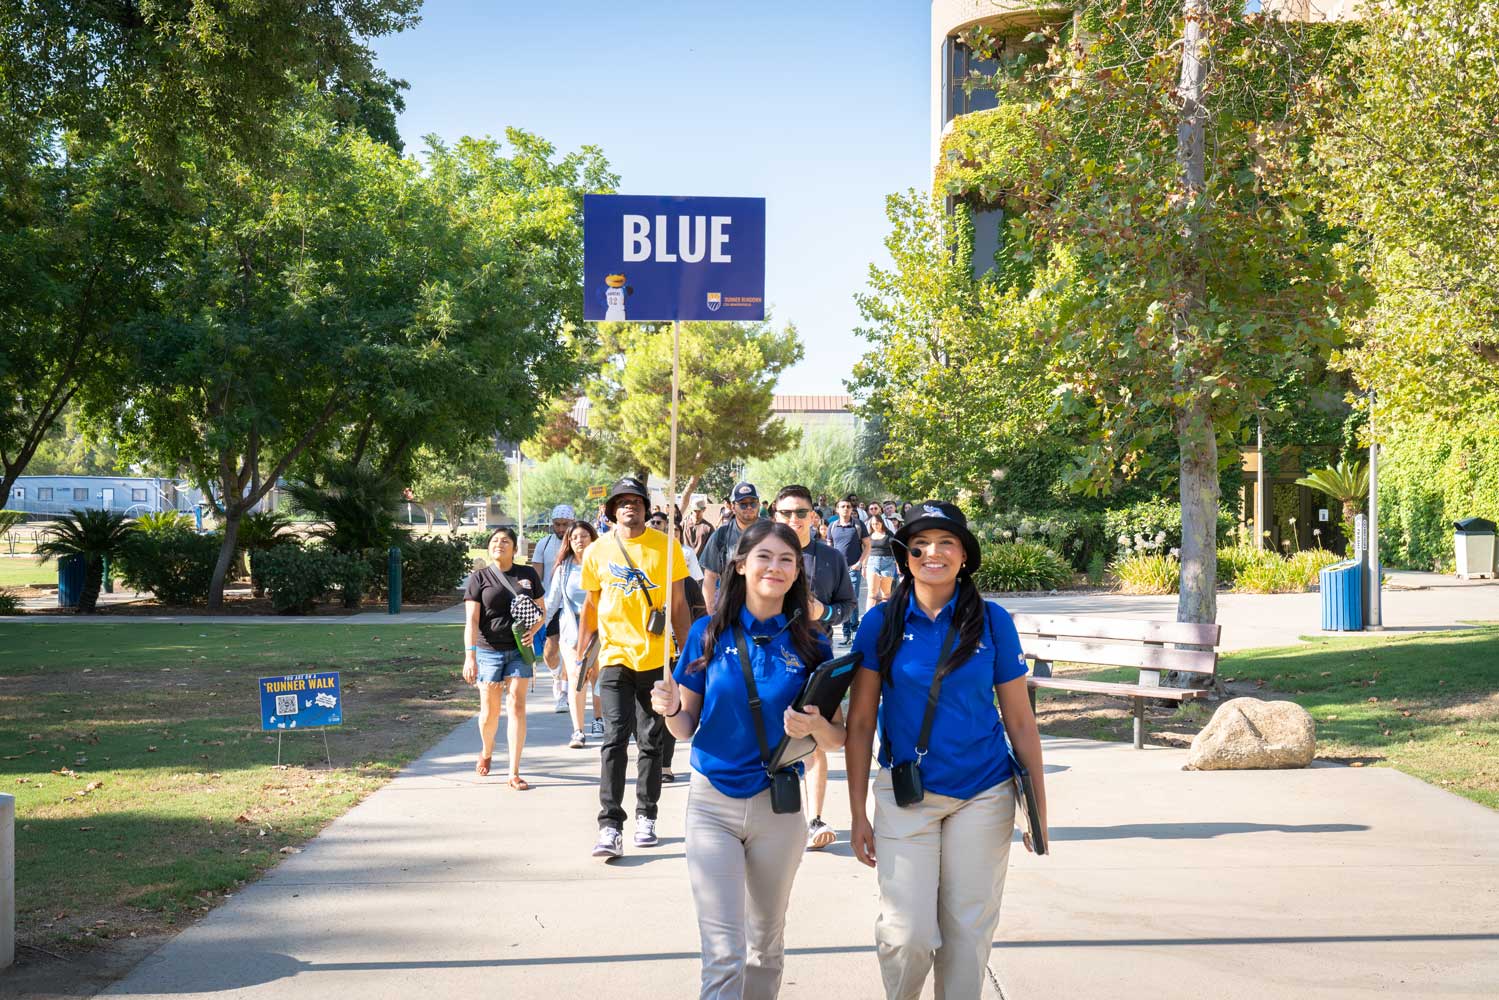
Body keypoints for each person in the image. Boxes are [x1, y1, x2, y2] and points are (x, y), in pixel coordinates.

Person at [844, 501, 1047, 1000]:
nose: (933, 553)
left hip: (984, 792)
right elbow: (862, 721)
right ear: (905, 555)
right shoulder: (880, 624)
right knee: (907, 934)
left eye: (946, 543)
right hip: (906, 794)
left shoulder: (993, 622)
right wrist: (856, 813)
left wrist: (1037, 810)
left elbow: (1020, 720)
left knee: (966, 935)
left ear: (964, 556)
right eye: (921, 544)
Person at [651, 520, 844, 999]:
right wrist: (672, 706)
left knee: (765, 946)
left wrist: (815, 727)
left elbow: (838, 737)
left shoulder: (813, 642)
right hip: (712, 804)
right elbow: (684, 727)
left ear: (798, 571)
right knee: (723, 953)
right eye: (764, 557)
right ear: (740, 565)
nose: (774, 568)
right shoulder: (706, 632)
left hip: (778, 808)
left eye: (786, 560)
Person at [575, 476, 692, 858]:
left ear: (646, 507)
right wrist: (582, 645)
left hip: (656, 658)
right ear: (611, 510)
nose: (630, 506)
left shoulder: (667, 546)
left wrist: (687, 653)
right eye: (622, 502)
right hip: (614, 657)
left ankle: (647, 815)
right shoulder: (597, 551)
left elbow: (677, 605)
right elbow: (592, 604)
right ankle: (609, 824)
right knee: (613, 738)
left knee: (651, 740)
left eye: (637, 501)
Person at [771, 484, 856, 850]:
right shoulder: (762, 553)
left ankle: (815, 818)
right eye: (786, 513)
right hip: (768, 658)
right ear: (774, 516)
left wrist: (825, 612)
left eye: (800, 513)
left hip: (814, 657)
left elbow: (847, 605)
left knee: (817, 738)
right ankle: (772, 818)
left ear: (813, 517)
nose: (794, 520)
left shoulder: (831, 558)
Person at [461, 527, 545, 790]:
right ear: (489, 547)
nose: (500, 544)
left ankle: (513, 771)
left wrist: (533, 631)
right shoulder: (479, 578)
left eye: (505, 541)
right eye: (495, 541)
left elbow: (542, 611)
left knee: (517, 706)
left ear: (514, 548)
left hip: (519, 651)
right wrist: (469, 656)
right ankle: (487, 750)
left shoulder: (527, 574)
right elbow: (472, 620)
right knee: (489, 713)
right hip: (488, 651)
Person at [647, 507, 711, 783]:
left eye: (663, 523)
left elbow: (697, 607)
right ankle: (650, 757)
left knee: (673, 705)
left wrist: (692, 644)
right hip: (646, 647)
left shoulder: (683, 565)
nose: (658, 527)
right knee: (650, 711)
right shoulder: (641, 564)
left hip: (676, 647)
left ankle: (665, 763)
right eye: (655, 523)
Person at [546, 519, 604, 748]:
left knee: (596, 676)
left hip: (599, 630)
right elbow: (552, 602)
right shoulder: (563, 568)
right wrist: (538, 625)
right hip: (572, 630)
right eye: (574, 537)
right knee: (576, 676)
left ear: (592, 538)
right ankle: (578, 730)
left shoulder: (602, 564)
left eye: (584, 536)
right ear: (569, 542)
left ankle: (598, 719)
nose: (579, 541)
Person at [532, 504, 576, 713]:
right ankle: (556, 675)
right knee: (550, 652)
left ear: (572, 523)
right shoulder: (544, 544)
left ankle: (563, 693)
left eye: (565, 525)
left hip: (572, 605)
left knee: (568, 649)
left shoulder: (578, 543)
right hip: (550, 604)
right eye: (557, 524)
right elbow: (536, 578)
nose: (560, 529)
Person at [701, 481, 764, 611]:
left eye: (753, 503)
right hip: (731, 609)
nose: (749, 507)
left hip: (765, 607)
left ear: (758, 504)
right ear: (733, 507)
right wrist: (711, 614)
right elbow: (710, 577)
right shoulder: (721, 536)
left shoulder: (772, 532)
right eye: (743, 504)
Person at [826, 495, 871, 645]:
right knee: (840, 600)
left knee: (853, 600)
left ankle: (854, 632)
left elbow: (868, 545)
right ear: (837, 509)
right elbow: (829, 546)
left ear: (852, 509)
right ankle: (846, 635)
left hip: (853, 569)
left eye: (848, 507)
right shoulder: (832, 526)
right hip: (838, 570)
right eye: (843, 506)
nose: (846, 509)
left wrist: (860, 563)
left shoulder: (858, 525)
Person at [865, 508, 898, 609]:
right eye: (873, 524)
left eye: (877, 523)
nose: (875, 526)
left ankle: (885, 618)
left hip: (888, 563)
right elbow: (866, 551)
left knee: (886, 594)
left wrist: (898, 565)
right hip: (872, 562)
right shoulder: (869, 536)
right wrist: (863, 566)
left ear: (882, 523)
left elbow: (895, 550)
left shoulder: (889, 535)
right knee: (872, 593)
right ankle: (868, 617)